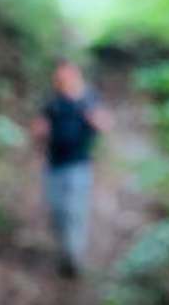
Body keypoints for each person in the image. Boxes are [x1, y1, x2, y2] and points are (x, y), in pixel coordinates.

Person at [32, 60, 111, 275]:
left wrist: (94, 119)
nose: (62, 81)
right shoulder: (52, 102)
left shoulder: (89, 99)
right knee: (57, 212)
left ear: (76, 76)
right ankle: (65, 252)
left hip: (79, 165)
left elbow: (105, 124)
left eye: (66, 76)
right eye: (59, 78)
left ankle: (73, 257)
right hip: (54, 166)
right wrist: (40, 131)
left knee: (75, 211)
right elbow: (38, 128)